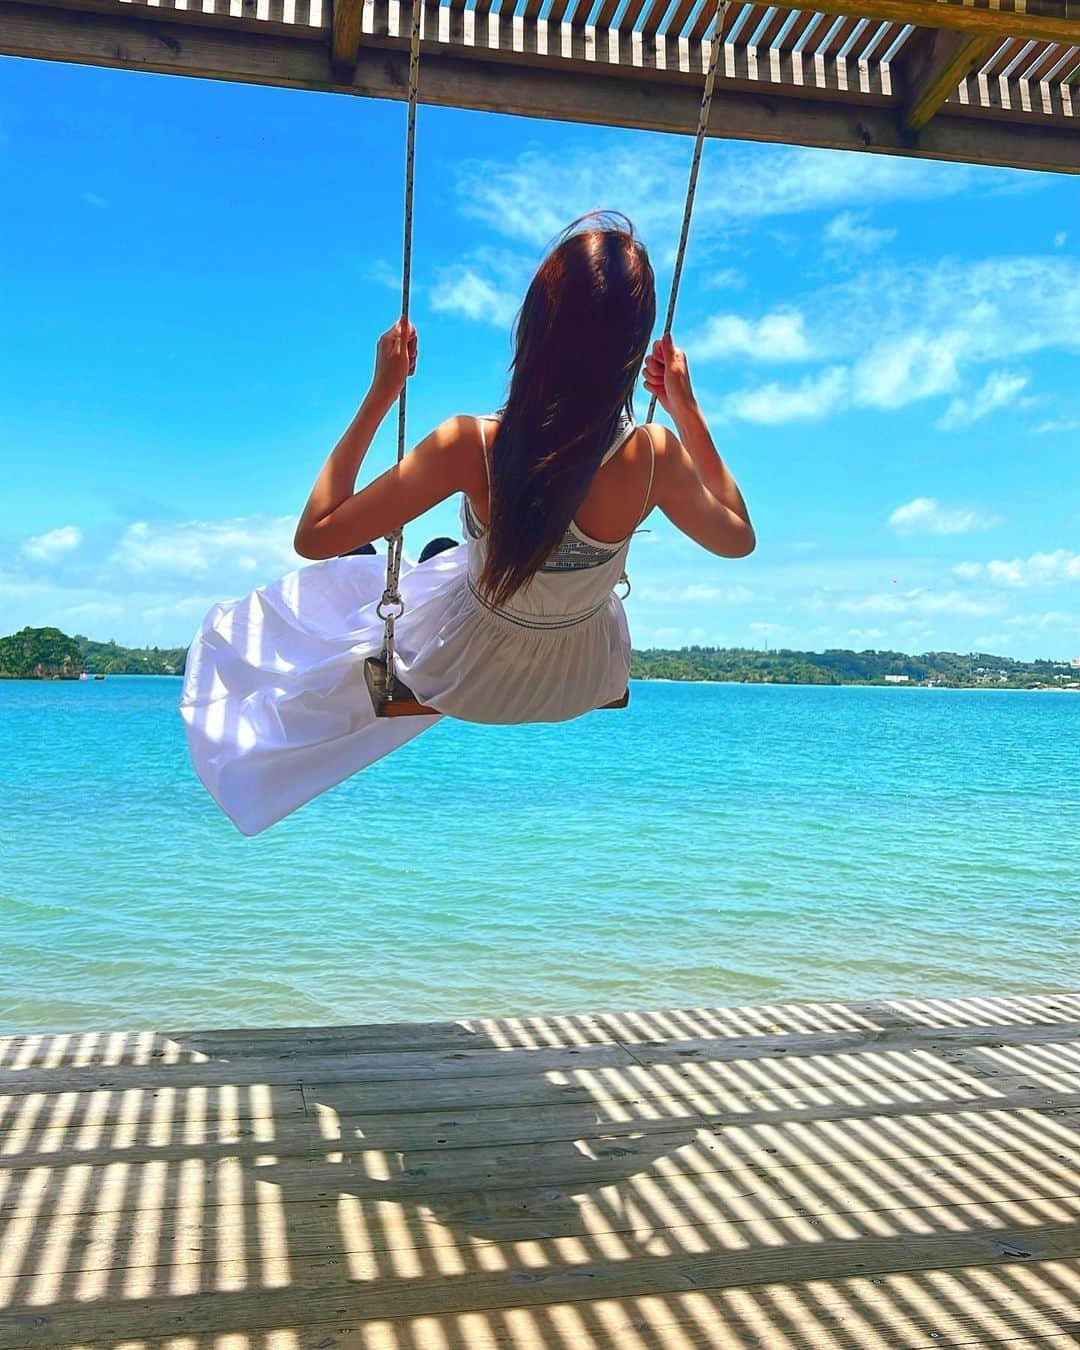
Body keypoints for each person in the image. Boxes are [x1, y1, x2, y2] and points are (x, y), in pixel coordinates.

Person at [180, 213, 754, 835]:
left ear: (534, 328)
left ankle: (423, 561)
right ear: (632, 351)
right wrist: (687, 409)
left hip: (466, 673)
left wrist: (381, 394)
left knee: (372, 563)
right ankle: (439, 558)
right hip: (582, 674)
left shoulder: (470, 445)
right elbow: (738, 536)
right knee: (443, 557)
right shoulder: (655, 456)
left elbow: (313, 533)